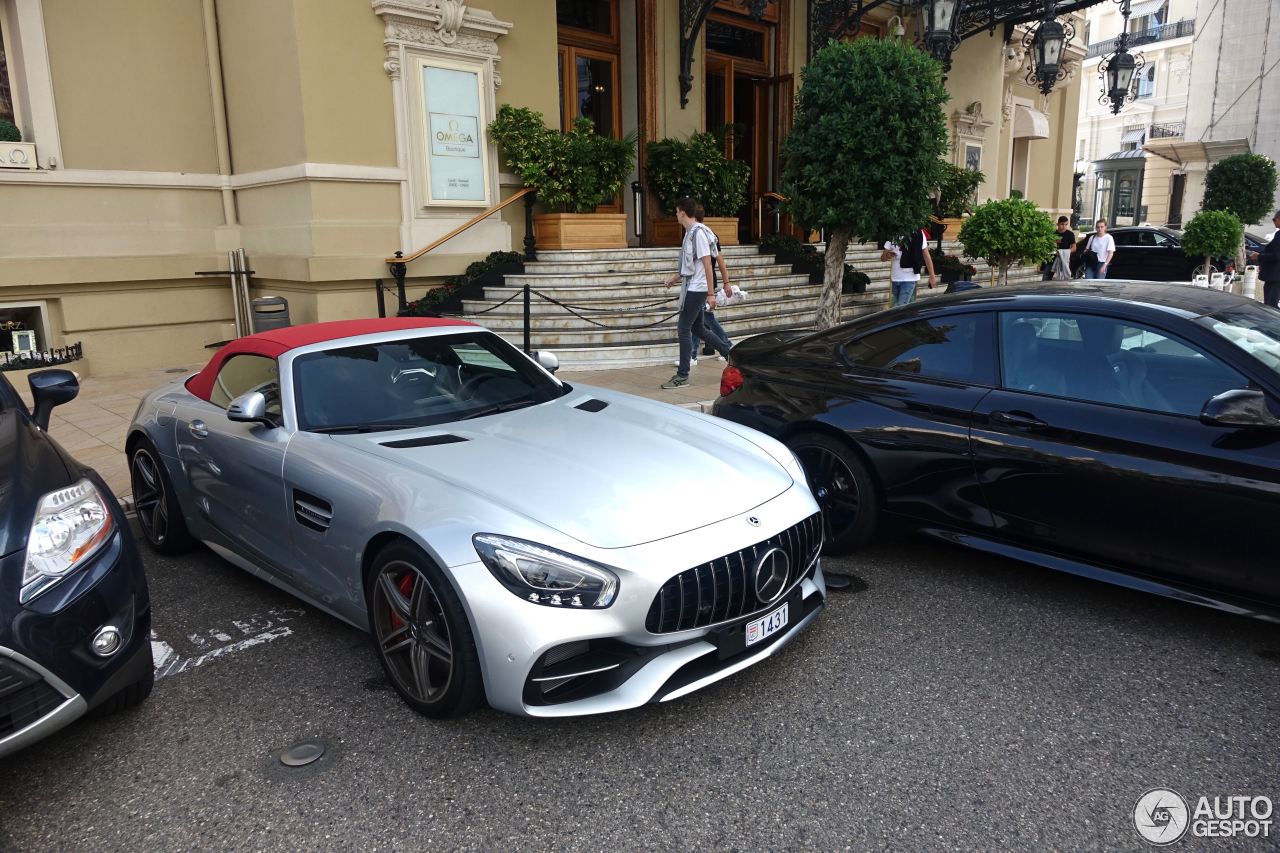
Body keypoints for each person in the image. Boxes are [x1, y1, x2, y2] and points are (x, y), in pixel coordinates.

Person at [661, 198, 732, 390]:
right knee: (698, 328)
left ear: (683, 212)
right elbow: (692, 265)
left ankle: (682, 375)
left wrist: (711, 294)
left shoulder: (698, 233)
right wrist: (674, 278)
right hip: (695, 286)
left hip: (698, 288)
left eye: (676, 211)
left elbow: (708, 264)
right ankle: (729, 353)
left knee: (684, 328)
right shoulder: (692, 232)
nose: (675, 215)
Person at [881, 226, 937, 305]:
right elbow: (883, 258)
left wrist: (932, 275)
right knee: (903, 309)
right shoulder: (894, 234)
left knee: (900, 307)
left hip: (910, 277)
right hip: (895, 278)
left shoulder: (919, 233)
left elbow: (926, 255)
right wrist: (888, 255)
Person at [1247, 210, 1280, 308]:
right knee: (1270, 303)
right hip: (1274, 276)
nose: (1274, 222)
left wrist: (1259, 256)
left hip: (1275, 275)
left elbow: (1277, 255)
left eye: (1275, 219)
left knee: (1270, 305)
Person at [1051, 215, 1076, 280]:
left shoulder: (1070, 234)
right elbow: (1048, 246)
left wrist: (1065, 252)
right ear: (1057, 224)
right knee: (1046, 276)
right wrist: (1055, 252)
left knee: (1065, 277)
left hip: (1065, 258)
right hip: (1052, 258)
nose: (1064, 226)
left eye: (1066, 224)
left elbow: (1074, 247)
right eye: (1062, 224)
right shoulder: (1053, 234)